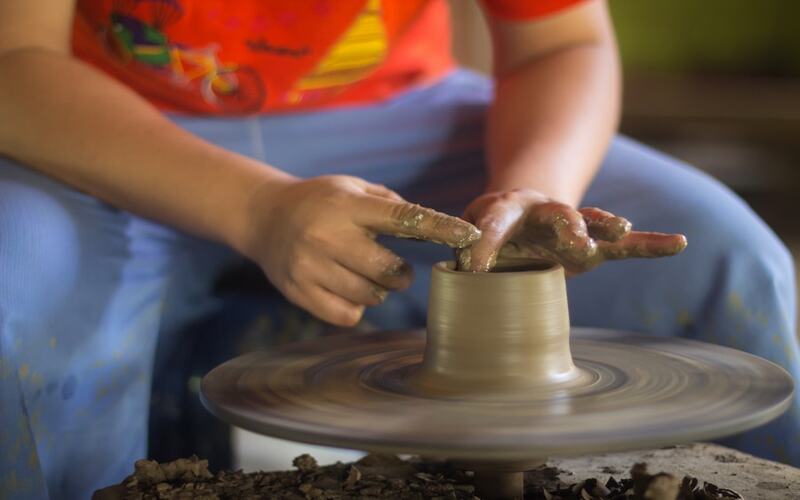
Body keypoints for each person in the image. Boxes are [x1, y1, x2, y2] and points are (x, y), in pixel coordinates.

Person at [0, 0, 796, 498]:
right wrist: (255, 204)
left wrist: (532, 187)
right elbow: (15, 61)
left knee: (730, 263)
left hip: (404, 112)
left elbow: (560, 43)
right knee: (16, 312)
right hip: (105, 121)